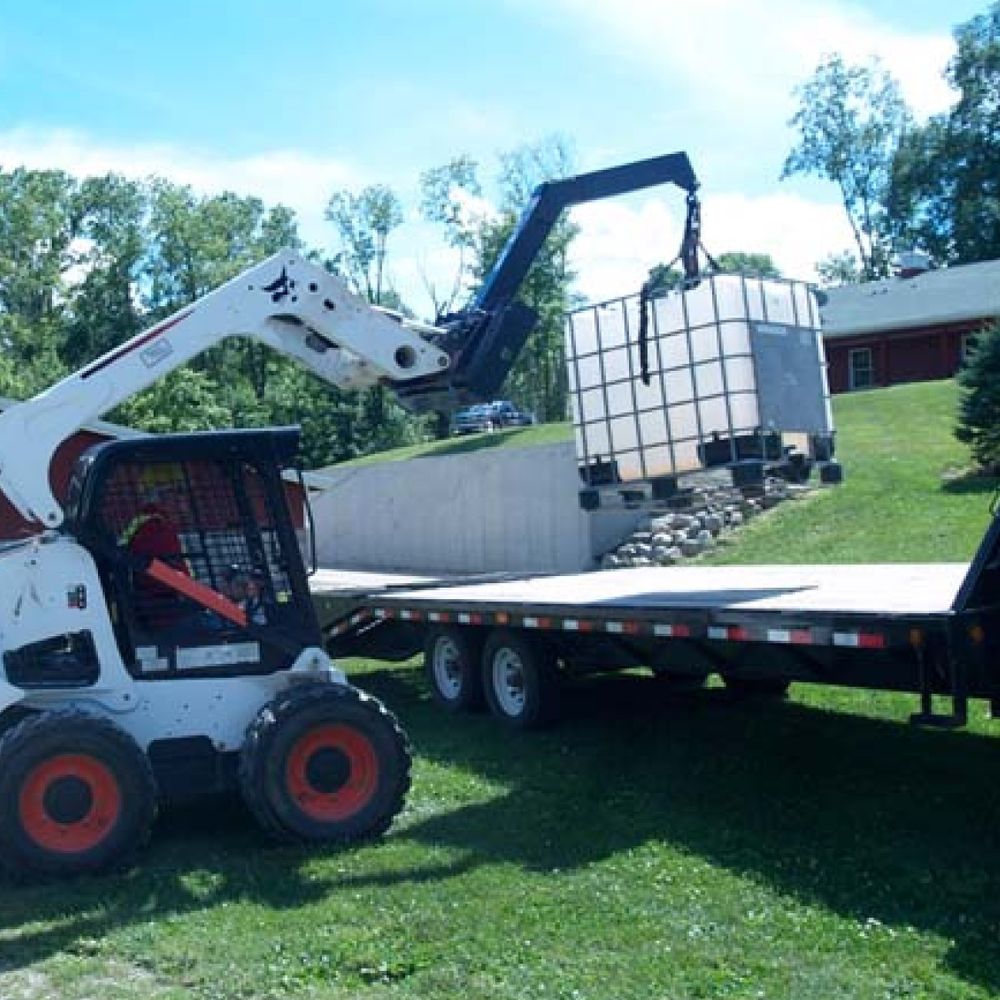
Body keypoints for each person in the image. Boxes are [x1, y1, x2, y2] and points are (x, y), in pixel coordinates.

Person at [119, 464, 190, 629]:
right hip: (165, 615)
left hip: (150, 611)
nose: (184, 500)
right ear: (165, 496)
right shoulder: (157, 529)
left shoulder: (143, 523)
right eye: (179, 492)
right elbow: (174, 578)